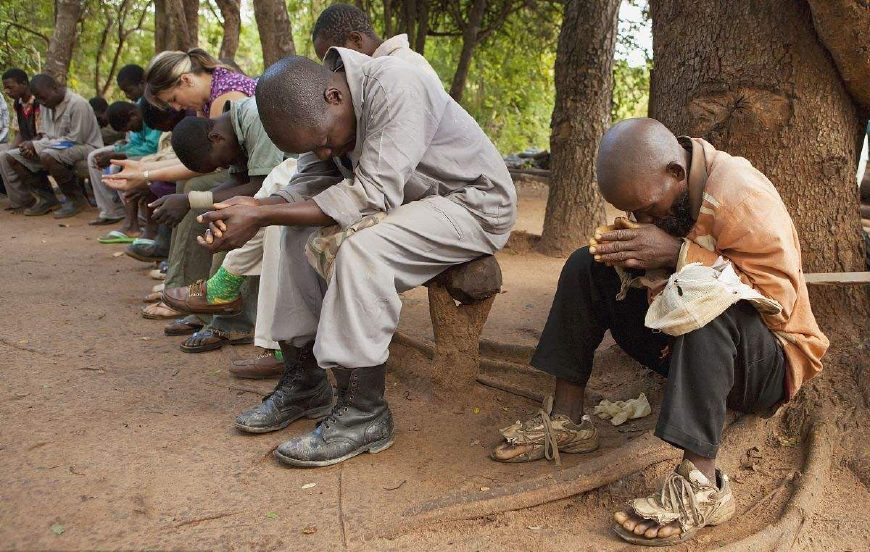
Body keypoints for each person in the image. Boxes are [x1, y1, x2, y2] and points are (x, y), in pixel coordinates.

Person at [488, 118, 828, 546]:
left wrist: (678, 253)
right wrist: (635, 258)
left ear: (676, 172)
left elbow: (777, 298)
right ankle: (567, 421)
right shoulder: (666, 188)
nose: (642, 219)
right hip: (693, 353)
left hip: (767, 365)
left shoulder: (743, 195)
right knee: (587, 265)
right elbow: (663, 261)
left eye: (648, 210)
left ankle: (702, 485)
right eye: (634, 213)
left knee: (707, 299)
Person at [196, 52, 516, 467]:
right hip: (408, 204)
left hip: (472, 205)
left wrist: (262, 214)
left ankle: (365, 414)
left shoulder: (397, 83)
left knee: (361, 249)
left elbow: (371, 195)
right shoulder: (320, 114)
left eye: (325, 143)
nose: (324, 153)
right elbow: (313, 180)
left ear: (334, 96)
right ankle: (304, 380)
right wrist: (260, 207)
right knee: (292, 233)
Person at [156, 2, 443, 376]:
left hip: (418, 196)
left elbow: (377, 185)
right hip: (382, 189)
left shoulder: (401, 74)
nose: (330, 73)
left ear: (356, 41)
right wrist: (259, 209)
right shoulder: (351, 89)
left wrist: (262, 211)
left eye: (332, 59)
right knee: (285, 211)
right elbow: (323, 169)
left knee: (300, 207)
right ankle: (294, 361)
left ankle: (338, 380)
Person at [4, 74, 102, 218]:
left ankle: (77, 200)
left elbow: (75, 140)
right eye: (38, 99)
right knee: (13, 156)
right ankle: (46, 199)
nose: (41, 102)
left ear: (55, 88)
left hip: (86, 147)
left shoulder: (77, 104)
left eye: (43, 97)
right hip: (58, 148)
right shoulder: (46, 106)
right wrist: (33, 146)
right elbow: (47, 135)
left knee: (48, 155)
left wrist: (37, 145)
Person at [311, 3, 440, 82]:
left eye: (336, 62)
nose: (335, 73)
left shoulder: (397, 71)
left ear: (356, 39)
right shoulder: (379, 73)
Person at [88, 100, 162, 236]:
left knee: (124, 167)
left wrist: (119, 155)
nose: (130, 131)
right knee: (94, 156)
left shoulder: (150, 112)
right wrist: (116, 151)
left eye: (130, 127)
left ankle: (134, 223)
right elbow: (135, 143)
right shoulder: (137, 117)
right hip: (143, 153)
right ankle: (112, 210)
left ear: (133, 115)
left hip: (156, 153)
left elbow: (152, 147)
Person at [144, 48, 256, 119]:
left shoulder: (224, 98)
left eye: (174, 99)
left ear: (186, 80)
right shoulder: (206, 102)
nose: (177, 108)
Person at [0, 68, 42, 211]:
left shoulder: (38, 101)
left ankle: (37, 199)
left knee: (7, 156)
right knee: (5, 156)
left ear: (24, 83)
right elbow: (20, 132)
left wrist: (29, 145)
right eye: (5, 88)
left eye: (10, 87)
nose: (7, 91)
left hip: (41, 144)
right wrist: (11, 150)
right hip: (28, 144)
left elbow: (43, 133)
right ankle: (21, 201)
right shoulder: (18, 104)